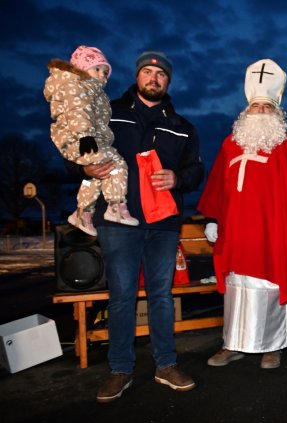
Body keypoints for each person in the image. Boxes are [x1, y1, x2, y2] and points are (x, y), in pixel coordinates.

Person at [65, 51, 204, 401]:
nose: (153, 78)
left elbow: (196, 171)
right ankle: (120, 370)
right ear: (137, 76)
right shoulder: (105, 111)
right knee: (122, 297)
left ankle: (166, 365)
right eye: (147, 71)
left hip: (164, 223)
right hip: (117, 221)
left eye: (160, 74)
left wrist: (178, 177)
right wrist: (83, 169)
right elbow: (76, 149)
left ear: (168, 81)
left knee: (161, 296)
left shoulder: (183, 127)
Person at [197, 59, 287, 369]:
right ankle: (233, 344)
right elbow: (217, 187)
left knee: (268, 286)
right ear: (245, 112)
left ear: (277, 112)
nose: (261, 112)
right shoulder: (230, 145)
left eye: (268, 107)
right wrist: (212, 218)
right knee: (237, 289)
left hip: (272, 233)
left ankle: (272, 345)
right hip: (236, 232)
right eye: (256, 106)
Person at [44, 45, 139, 236]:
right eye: (97, 69)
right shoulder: (77, 86)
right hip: (81, 139)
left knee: (99, 174)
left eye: (105, 72)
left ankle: (83, 213)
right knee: (117, 164)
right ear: (80, 68)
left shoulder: (92, 90)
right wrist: (85, 135)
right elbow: (77, 111)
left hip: (87, 138)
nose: (102, 75)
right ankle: (116, 206)